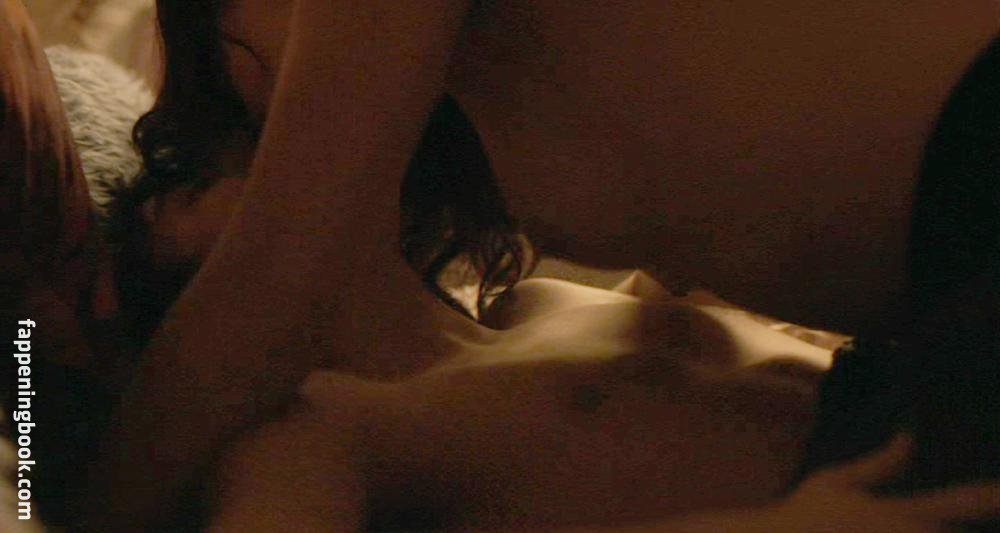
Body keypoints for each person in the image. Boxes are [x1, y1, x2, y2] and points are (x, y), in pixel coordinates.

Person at [76, 0, 1000, 530]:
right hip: (924, 375)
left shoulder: (534, 297)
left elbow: (279, 271)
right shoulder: (323, 426)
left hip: (937, 302)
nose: (254, 127)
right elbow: (273, 282)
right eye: (183, 184)